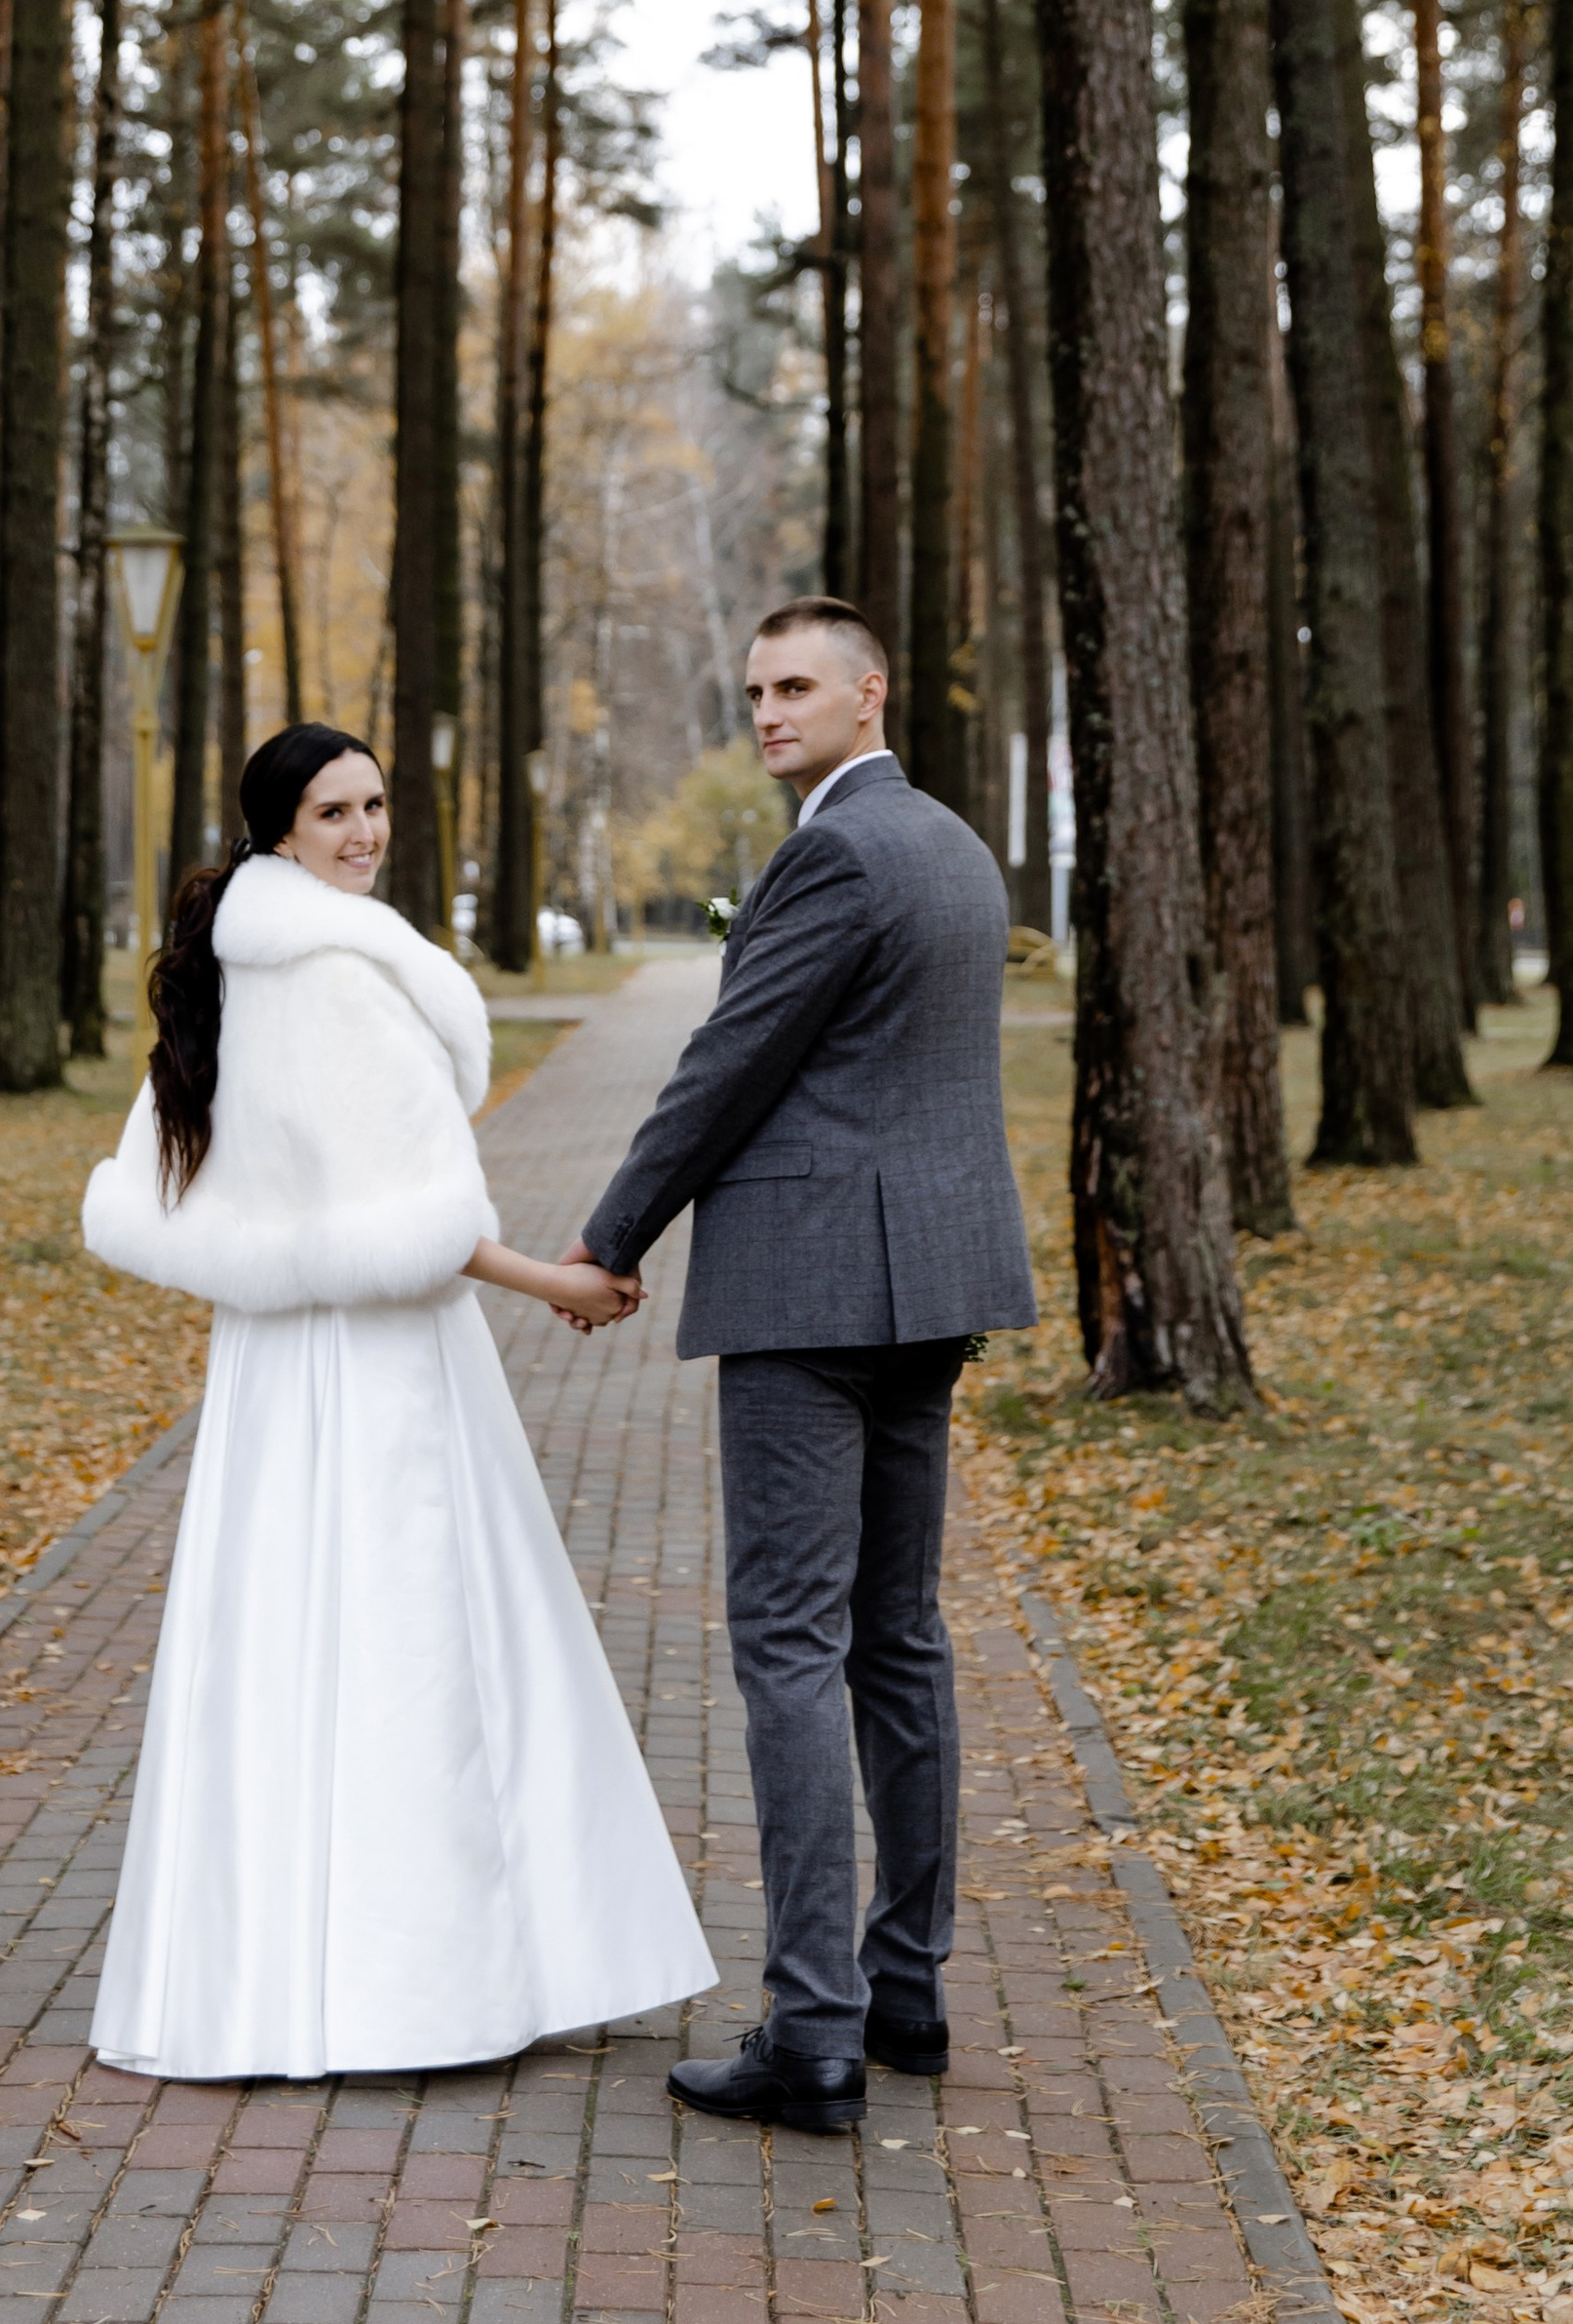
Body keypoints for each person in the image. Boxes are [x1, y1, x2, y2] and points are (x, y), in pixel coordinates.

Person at [80, 720, 715, 2083]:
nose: (364, 831)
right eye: (333, 812)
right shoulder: (335, 973)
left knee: (281, 1643)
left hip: (273, 1361)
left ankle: (257, 1979)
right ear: (280, 830)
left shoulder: (241, 964)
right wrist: (562, 1279)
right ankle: (415, 1989)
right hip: (376, 1361)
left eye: (373, 805)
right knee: (414, 1639)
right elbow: (413, 1223)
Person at [568, 600, 1036, 2137]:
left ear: (868, 692)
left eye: (795, 686)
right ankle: (907, 1988)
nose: (768, 710)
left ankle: (813, 2028)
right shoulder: (958, 848)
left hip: (810, 1291)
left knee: (789, 1641)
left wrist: (611, 1232)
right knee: (898, 1635)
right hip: (930, 1287)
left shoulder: (833, 853)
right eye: (756, 688)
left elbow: (730, 1062)